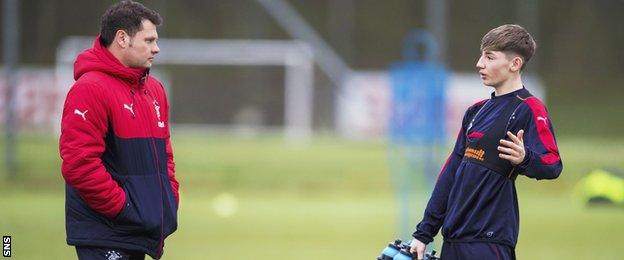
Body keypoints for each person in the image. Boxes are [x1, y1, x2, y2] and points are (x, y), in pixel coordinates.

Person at [408, 24, 562, 260]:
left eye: (489, 57)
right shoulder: (475, 111)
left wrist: (525, 158)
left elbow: (553, 164)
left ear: (515, 64)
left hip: (489, 242)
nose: (480, 63)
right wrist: (424, 233)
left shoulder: (529, 108)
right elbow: (450, 173)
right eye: (482, 56)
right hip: (453, 239)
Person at [59, 1, 179, 259]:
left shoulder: (154, 90)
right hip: (107, 231)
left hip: (138, 229)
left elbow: (165, 156)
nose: (156, 48)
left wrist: (167, 199)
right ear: (122, 38)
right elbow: (79, 165)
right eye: (148, 40)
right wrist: (124, 207)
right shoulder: (90, 89)